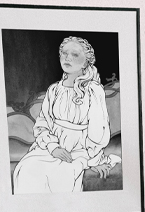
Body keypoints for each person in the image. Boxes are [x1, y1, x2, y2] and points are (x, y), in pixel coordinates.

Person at [13, 36, 119, 194]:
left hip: (79, 149)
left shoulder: (93, 90)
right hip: (49, 148)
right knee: (27, 169)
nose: (67, 57)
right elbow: (42, 124)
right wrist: (53, 147)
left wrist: (93, 160)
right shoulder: (54, 89)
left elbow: (99, 130)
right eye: (64, 53)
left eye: (75, 55)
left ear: (86, 62)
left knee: (61, 177)